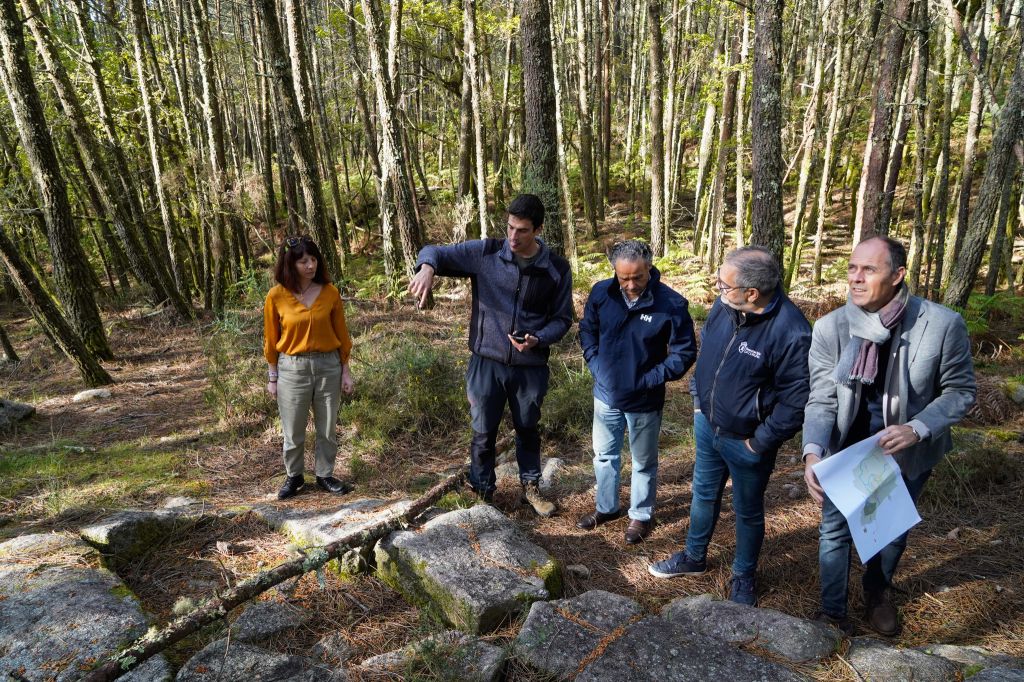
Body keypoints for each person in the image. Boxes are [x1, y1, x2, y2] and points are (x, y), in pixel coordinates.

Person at [802, 236, 976, 635]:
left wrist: (918, 428)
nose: (856, 279)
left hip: (907, 451)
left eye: (869, 269)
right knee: (833, 528)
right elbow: (822, 397)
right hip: (845, 448)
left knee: (891, 528)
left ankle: (877, 594)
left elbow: (960, 391)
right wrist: (812, 452)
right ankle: (832, 612)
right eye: (852, 268)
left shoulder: (941, 324)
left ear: (897, 276)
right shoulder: (831, 327)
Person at [649, 246, 811, 606]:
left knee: (748, 510)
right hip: (708, 426)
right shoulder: (726, 307)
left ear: (751, 293)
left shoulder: (791, 332)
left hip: (748, 441)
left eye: (724, 285)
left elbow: (796, 401)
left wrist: (759, 443)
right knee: (703, 493)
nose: (717, 290)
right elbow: (707, 350)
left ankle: (743, 576)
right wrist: (696, 403)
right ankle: (694, 557)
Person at [408, 194, 573, 516]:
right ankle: (483, 494)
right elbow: (433, 251)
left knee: (528, 428)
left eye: (522, 230)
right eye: (510, 227)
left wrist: (538, 339)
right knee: (483, 432)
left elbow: (564, 319)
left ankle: (531, 487)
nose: (513, 236)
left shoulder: (556, 268)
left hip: (530, 366)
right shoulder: (485, 253)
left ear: (538, 229)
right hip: (485, 362)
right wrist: (427, 268)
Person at [577, 240, 697, 544]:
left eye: (638, 278)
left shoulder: (671, 304)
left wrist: (650, 379)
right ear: (614, 272)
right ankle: (607, 508)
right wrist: (595, 362)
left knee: (643, 462)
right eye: (623, 278)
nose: (630, 285)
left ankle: (641, 516)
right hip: (605, 395)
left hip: (645, 399)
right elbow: (587, 330)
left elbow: (684, 353)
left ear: (650, 267)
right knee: (604, 456)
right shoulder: (601, 294)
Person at [264, 235, 355, 500]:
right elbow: (271, 339)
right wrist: (273, 376)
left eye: (313, 259)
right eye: (303, 261)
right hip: (292, 368)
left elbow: (343, 335)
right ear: (290, 264)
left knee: (327, 427)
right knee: (293, 428)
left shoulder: (330, 293)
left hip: (328, 366)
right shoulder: (277, 296)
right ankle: (295, 477)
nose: (310, 265)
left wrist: (345, 372)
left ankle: (325, 475)